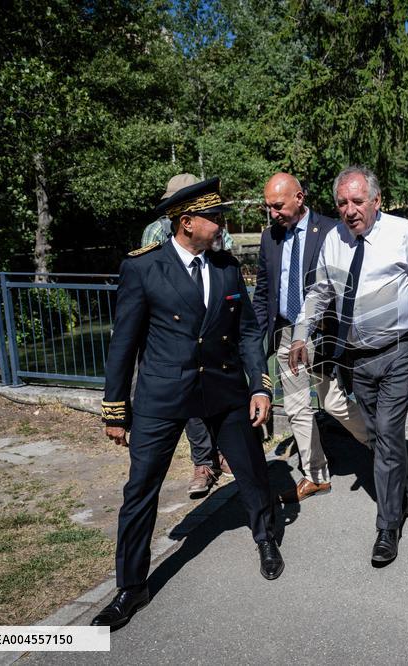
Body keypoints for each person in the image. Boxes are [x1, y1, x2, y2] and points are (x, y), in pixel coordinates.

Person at [94, 177, 282, 630]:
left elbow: (248, 332)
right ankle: (131, 587)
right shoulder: (143, 268)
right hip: (162, 395)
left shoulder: (226, 267)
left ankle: (266, 537)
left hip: (223, 389)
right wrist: (115, 408)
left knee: (252, 470)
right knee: (140, 490)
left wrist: (260, 386)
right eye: (213, 218)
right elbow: (124, 344)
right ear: (187, 222)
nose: (221, 225)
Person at [289, 166, 408, 566]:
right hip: (357, 360)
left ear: (377, 201)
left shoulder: (401, 233)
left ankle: (387, 527)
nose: (349, 210)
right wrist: (300, 333)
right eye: (342, 203)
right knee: (379, 436)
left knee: (386, 430)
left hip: (399, 350)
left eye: (357, 201)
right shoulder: (333, 240)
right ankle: (402, 492)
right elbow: (319, 292)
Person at [252, 172, 370, 504]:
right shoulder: (269, 238)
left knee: (333, 403)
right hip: (286, 333)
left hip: (322, 333)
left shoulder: (332, 230)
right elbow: (263, 292)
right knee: (295, 407)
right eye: (269, 207)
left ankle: (382, 446)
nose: (273, 213)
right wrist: (257, 342)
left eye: (278, 206)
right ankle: (315, 475)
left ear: (299, 198)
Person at [138, 172, 232, 500]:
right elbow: (149, 280)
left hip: (212, 331)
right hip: (176, 337)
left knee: (217, 395)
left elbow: (223, 264)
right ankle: (203, 462)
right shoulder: (155, 232)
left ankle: (224, 451)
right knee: (190, 405)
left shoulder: (214, 227)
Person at [141, 174, 235, 251]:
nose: (179, 206)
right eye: (175, 200)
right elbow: (149, 264)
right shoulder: (157, 230)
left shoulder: (214, 230)